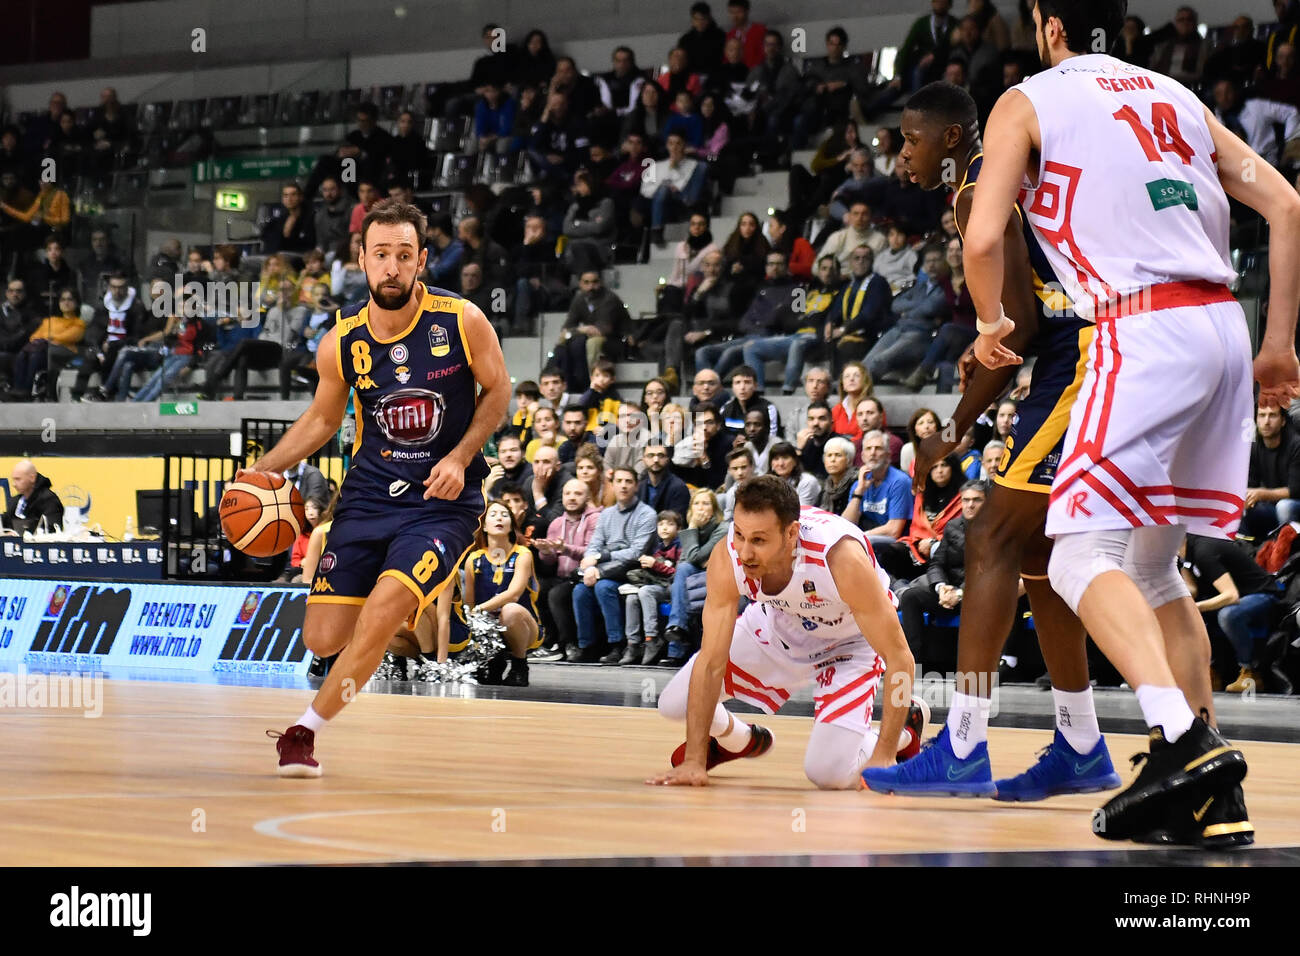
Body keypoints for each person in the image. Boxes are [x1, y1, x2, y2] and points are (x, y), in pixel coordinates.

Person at [961, 1, 1300, 846]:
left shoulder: (1028, 98)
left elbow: (980, 237)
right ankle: (1211, 793)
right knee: (1155, 569)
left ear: (1047, 27)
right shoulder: (1179, 95)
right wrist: (1280, 345)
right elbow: (1288, 206)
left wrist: (989, 324)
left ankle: (1183, 743)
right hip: (1225, 324)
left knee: (1076, 551)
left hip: (1139, 327)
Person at [862, 81, 1121, 807]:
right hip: (1093, 347)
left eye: (909, 139)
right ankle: (1079, 742)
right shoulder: (1011, 174)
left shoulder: (980, 187)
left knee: (988, 541)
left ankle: (965, 745)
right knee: (1041, 555)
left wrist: (950, 434)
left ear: (950, 139)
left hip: (1086, 356)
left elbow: (1019, 334)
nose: (899, 152)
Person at [258, 199, 510, 776]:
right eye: (380, 255)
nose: (391, 267)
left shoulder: (462, 320)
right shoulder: (342, 341)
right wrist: (266, 468)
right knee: (324, 640)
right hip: (368, 496)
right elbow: (323, 420)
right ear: (362, 260)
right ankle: (397, 612)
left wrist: (461, 454)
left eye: (404, 255)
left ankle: (304, 731)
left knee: (377, 617)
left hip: (441, 503)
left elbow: (498, 391)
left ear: (422, 260)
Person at [647, 476, 927, 789]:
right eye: (739, 534)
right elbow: (712, 661)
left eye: (759, 540)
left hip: (849, 643)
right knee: (673, 703)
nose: (745, 552)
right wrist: (694, 761)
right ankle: (738, 741)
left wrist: (884, 755)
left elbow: (900, 658)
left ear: (791, 533)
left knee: (829, 774)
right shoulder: (729, 556)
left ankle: (904, 732)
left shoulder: (841, 559)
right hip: (778, 625)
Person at [570, 467, 657, 663]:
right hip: (604, 569)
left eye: (628, 481)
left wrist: (599, 560)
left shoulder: (647, 514)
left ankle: (617, 645)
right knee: (580, 590)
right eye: (619, 481)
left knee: (603, 587)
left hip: (634, 571)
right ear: (613, 485)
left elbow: (636, 552)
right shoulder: (606, 514)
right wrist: (591, 565)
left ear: (636, 486)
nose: (623, 485)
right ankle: (587, 646)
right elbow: (593, 546)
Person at [896, 479, 987, 665]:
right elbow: (936, 563)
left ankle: (972, 666)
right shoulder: (953, 526)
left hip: (978, 593)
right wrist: (941, 587)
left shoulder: (996, 530)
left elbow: (985, 570)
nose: (970, 505)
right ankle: (914, 662)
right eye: (966, 500)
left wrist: (960, 593)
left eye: (977, 500)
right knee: (910, 596)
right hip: (949, 591)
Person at [1181, 534, 1283, 696]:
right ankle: (1210, 671)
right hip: (1236, 597)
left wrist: (1194, 608)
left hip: (1262, 594)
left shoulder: (1204, 551)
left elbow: (1231, 595)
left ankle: (1250, 673)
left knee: (1228, 615)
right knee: (1184, 614)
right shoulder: (1182, 555)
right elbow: (1192, 589)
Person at [462, 501, 542, 687]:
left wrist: (479, 610)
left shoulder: (523, 554)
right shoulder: (474, 559)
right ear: (484, 526)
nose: (499, 517)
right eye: (493, 514)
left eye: (505, 515)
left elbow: (513, 594)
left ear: (512, 526)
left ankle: (519, 665)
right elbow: (469, 603)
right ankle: (489, 660)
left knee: (510, 610)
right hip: (488, 630)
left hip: (524, 626)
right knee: (468, 617)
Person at [535, 477, 601, 660]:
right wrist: (546, 552)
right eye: (567, 493)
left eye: (578, 494)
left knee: (557, 594)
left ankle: (568, 643)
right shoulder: (556, 523)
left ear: (587, 498)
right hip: (562, 575)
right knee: (538, 588)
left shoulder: (594, 519)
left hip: (584, 575)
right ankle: (548, 642)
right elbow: (549, 561)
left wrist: (565, 549)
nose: (572, 498)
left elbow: (592, 551)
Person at [622, 509, 683, 664]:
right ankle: (633, 642)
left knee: (645, 591)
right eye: (661, 524)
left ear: (679, 528)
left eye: (670, 524)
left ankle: (652, 638)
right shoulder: (657, 548)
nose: (664, 528)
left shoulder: (680, 547)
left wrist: (656, 565)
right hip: (656, 585)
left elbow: (677, 574)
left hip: (670, 589)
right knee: (631, 598)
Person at [1240, 403, 1300, 538]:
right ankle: (1247, 549)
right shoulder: (1254, 446)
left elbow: (1295, 490)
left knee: (1284, 506)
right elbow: (1251, 484)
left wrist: (1261, 494)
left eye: (1272, 415)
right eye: (1262, 415)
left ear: (1283, 421)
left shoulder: (1296, 445)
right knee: (1243, 505)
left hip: (1294, 505)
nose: (1266, 422)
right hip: (1272, 507)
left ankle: (1286, 552)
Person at [2, 459, 63, 535]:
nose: (14, 484)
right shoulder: (15, 502)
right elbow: (5, 525)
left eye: (18, 479)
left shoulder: (49, 500)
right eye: (13, 480)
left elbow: (52, 529)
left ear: (32, 478)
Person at [767, 441, 821, 506]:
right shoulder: (767, 482)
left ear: (795, 461)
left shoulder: (807, 481)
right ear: (771, 464)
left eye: (785, 458)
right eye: (776, 459)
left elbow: (803, 512)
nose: (780, 463)